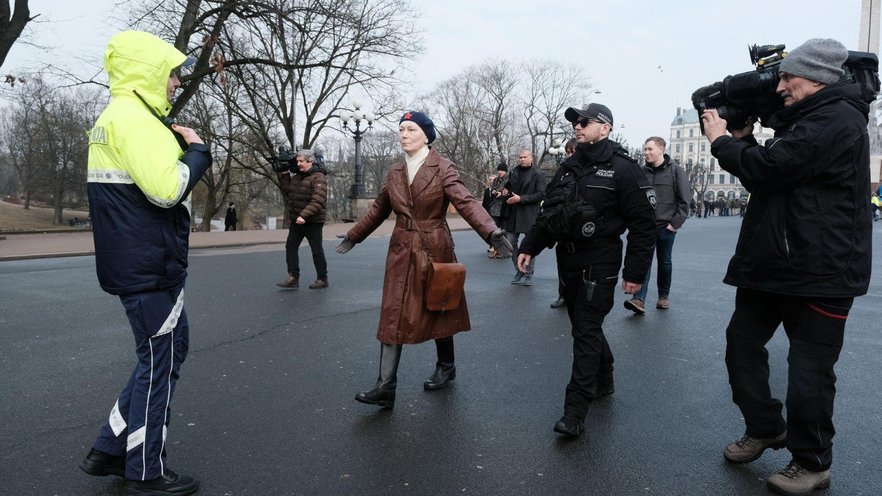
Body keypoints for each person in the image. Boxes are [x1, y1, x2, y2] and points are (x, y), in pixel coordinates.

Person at [701, 38, 872, 496]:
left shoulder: (838, 119)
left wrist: (720, 141)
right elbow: (774, 171)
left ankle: (812, 462)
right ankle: (765, 427)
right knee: (741, 345)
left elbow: (774, 169)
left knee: (809, 373)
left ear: (816, 78)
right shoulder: (806, 119)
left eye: (786, 77)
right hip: (775, 264)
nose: (778, 86)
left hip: (821, 271)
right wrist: (743, 141)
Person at [79, 30, 211, 496]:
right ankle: (146, 471)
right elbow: (167, 188)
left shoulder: (119, 117)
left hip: (138, 263)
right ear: (150, 72)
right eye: (172, 73)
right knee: (160, 362)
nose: (176, 82)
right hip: (150, 266)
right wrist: (198, 152)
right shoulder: (135, 120)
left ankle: (107, 450)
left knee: (164, 353)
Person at [336, 111, 512, 409]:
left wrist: (492, 232)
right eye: (401, 129)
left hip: (434, 247)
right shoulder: (394, 171)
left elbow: (466, 202)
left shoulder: (443, 168)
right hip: (401, 247)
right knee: (392, 311)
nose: (403, 134)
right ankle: (386, 386)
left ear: (427, 136)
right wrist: (354, 235)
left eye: (411, 129)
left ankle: (446, 365)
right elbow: (379, 209)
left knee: (439, 307)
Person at [517, 103, 656, 437]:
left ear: (605, 128)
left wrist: (634, 273)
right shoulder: (567, 168)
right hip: (568, 259)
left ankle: (575, 412)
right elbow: (549, 214)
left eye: (585, 122)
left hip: (602, 259)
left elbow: (643, 225)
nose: (577, 126)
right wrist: (529, 247)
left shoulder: (625, 169)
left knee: (586, 330)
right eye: (575, 123)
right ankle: (604, 376)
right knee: (584, 325)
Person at [624, 137, 690, 314]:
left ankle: (663, 297)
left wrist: (675, 224)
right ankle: (639, 299)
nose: (646, 152)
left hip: (666, 227)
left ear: (661, 149)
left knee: (664, 262)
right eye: (645, 149)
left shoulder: (676, 171)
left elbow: (685, 201)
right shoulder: (640, 172)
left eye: (650, 149)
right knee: (643, 262)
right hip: (644, 227)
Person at [276, 149, 329, 289]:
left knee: (316, 250)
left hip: (313, 221)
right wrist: (284, 173)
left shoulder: (319, 177)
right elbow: (288, 191)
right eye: (297, 161)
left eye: (301, 161)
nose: (298, 164)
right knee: (291, 247)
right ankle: (293, 277)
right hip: (297, 220)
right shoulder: (298, 176)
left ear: (310, 161)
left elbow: (318, 201)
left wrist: (303, 216)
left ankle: (322, 278)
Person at [503, 149, 546, 285]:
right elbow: (509, 189)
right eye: (520, 157)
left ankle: (528, 273)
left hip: (529, 214)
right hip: (513, 214)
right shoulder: (513, 172)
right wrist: (505, 193)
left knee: (529, 246)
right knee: (510, 244)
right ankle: (519, 269)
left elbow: (540, 194)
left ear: (531, 158)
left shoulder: (538, 174)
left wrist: (520, 198)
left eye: (525, 157)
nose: (522, 159)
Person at [550, 138, 577, 309]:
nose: (569, 155)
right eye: (567, 152)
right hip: (562, 224)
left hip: (581, 225)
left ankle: (576, 294)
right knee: (562, 262)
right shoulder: (563, 170)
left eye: (572, 152)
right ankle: (563, 294)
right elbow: (551, 192)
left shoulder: (588, 170)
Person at [486, 162, 509, 258]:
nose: (500, 172)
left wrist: (502, 194)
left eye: (502, 170)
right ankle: (496, 249)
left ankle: (504, 251)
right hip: (495, 208)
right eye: (499, 170)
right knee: (494, 230)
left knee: (504, 230)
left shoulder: (509, 179)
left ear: (505, 171)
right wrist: (494, 191)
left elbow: (509, 191)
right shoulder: (495, 180)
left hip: (505, 208)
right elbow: (492, 189)